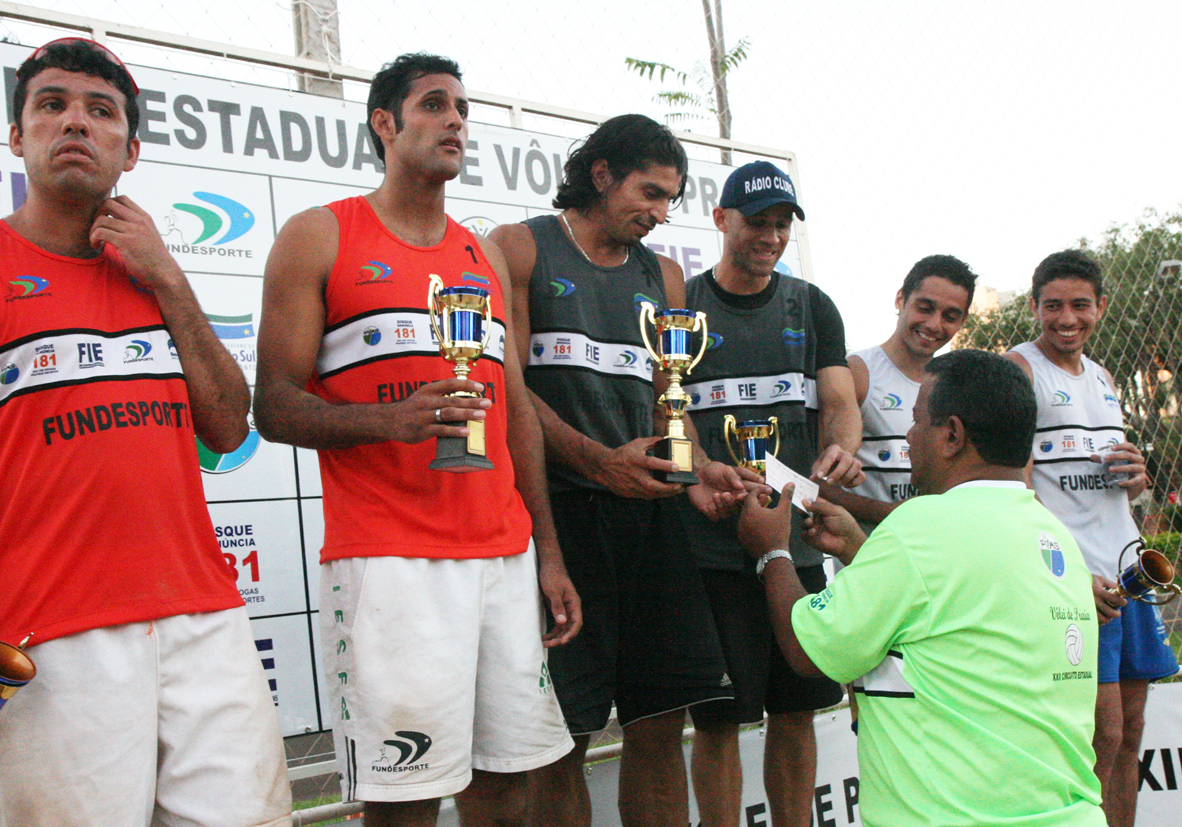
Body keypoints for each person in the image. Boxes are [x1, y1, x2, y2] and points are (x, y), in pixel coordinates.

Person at [0, 38, 290, 826]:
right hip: (41, 638)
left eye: (101, 111)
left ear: (131, 150)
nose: (76, 122)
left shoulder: (155, 277)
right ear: (16, 136)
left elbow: (226, 421)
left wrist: (170, 279)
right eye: (52, 105)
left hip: (204, 619)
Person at [252, 53, 577, 827]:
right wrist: (386, 420)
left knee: (507, 787)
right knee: (405, 801)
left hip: (501, 555)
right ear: (384, 124)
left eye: (462, 107)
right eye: (434, 105)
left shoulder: (483, 254)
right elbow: (272, 407)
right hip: (390, 559)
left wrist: (548, 551)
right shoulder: (319, 236)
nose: (456, 120)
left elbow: (514, 413)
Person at [490, 115, 742, 827]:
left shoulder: (661, 274)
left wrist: (699, 471)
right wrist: (597, 461)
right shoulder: (518, 246)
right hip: (561, 518)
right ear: (600, 173)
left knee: (660, 722)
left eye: (670, 199)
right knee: (557, 739)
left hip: (651, 520)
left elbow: (672, 400)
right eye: (650, 192)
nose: (660, 212)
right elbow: (507, 391)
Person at [739, 349, 1107, 827]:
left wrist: (772, 552)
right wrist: (859, 550)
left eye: (915, 423)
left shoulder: (923, 525)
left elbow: (809, 650)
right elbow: (945, 615)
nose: (908, 438)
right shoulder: (1053, 533)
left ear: (952, 434)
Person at [679, 160, 862, 827]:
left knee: (795, 709)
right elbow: (662, 417)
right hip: (711, 547)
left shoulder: (810, 304)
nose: (771, 235)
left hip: (796, 546)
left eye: (782, 223)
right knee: (720, 721)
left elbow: (838, 400)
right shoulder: (682, 309)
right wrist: (696, 468)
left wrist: (840, 444)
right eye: (757, 221)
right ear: (721, 219)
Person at [1006, 250, 1178, 827]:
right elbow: (1018, 488)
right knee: (1098, 735)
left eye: (1080, 305)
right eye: (1052, 306)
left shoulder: (1103, 376)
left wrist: (1137, 473)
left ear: (1101, 307)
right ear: (1034, 308)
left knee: (1131, 733)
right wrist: (1062, 576)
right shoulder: (1021, 369)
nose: (1066, 318)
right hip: (1078, 583)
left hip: (1129, 575)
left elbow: (1109, 480)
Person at [822, 255, 977, 534]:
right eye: (925, 308)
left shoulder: (959, 383)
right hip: (869, 551)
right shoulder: (858, 372)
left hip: (939, 549)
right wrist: (888, 513)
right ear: (901, 299)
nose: (934, 324)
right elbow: (817, 479)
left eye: (950, 316)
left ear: (963, 320)